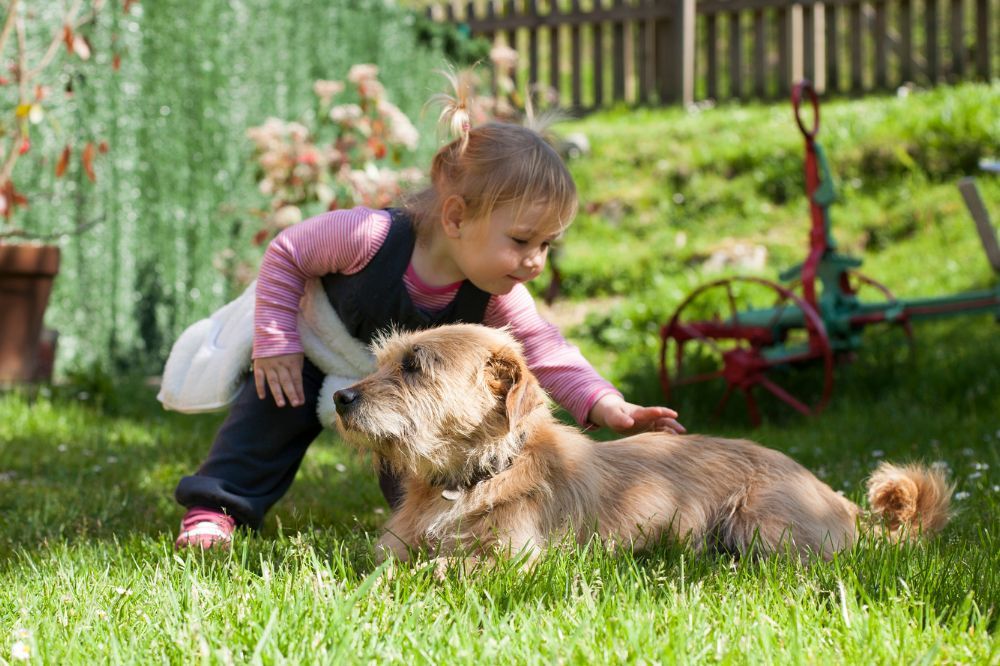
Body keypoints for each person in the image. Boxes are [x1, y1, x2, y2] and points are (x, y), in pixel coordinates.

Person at [173, 87, 685, 549]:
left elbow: (545, 351)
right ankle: (216, 508)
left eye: (547, 245)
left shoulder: (499, 294)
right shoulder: (367, 236)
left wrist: (608, 404)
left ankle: (423, 528)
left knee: (437, 452)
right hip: (312, 349)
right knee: (269, 413)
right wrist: (277, 340)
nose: (536, 261)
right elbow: (287, 252)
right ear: (457, 217)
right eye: (522, 240)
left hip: (400, 391)